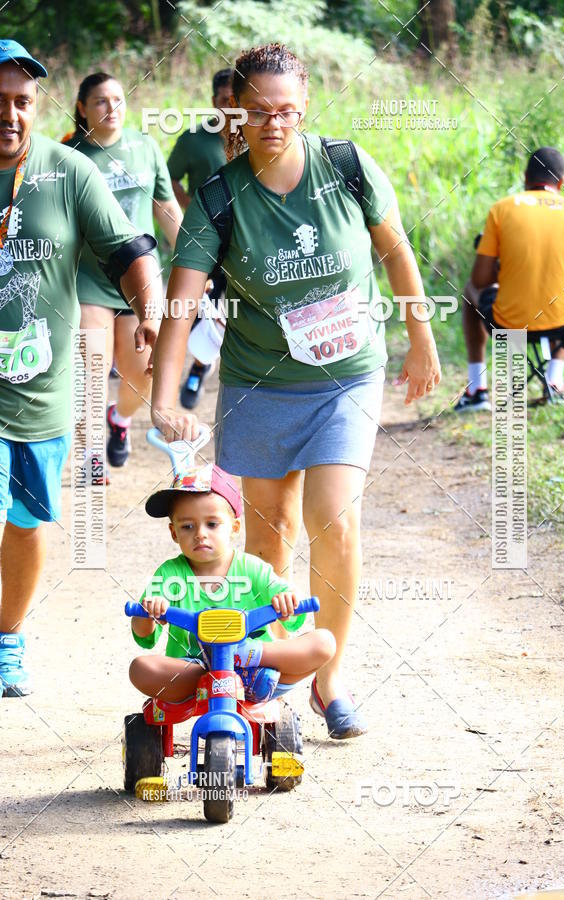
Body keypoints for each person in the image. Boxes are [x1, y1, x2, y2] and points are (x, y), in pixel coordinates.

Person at [150, 43, 441, 739]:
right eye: (257, 111)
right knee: (272, 536)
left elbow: (396, 249)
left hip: (346, 376)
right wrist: (165, 397)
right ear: (236, 112)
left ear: (305, 105)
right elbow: (181, 304)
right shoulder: (220, 199)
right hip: (259, 383)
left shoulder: (345, 167)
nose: (272, 123)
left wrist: (422, 334)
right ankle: (266, 675)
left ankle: (330, 676)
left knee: (333, 517)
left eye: (285, 111)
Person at [0, 41, 162, 697]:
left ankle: (8, 638)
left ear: (37, 105)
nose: (9, 114)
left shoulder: (68, 172)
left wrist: (149, 308)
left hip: (40, 391)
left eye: (21, 101)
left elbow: (130, 247)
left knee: (26, 522)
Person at [129, 464, 336, 708]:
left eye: (212, 524)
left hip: (254, 667)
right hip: (194, 671)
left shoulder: (253, 569)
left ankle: (244, 653)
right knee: (140, 668)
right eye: (187, 526)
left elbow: (292, 615)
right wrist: (150, 612)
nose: (200, 534)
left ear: (234, 527)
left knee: (324, 642)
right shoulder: (169, 574)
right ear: (174, 533)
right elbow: (143, 634)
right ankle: (213, 677)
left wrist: (288, 599)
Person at [63, 73, 182, 467]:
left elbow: (165, 208)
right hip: (87, 278)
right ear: (82, 108)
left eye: (118, 98)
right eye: (100, 101)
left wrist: (198, 260)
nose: (112, 107)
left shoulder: (144, 146)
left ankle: (120, 418)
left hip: (140, 281)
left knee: (142, 377)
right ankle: (91, 455)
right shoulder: (68, 155)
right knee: (90, 370)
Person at [456, 146, 564, 412]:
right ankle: (554, 380)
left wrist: (505, 269)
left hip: (508, 323)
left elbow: (479, 279)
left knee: (468, 291)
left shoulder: (503, 209)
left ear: (525, 178)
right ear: (561, 182)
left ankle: (477, 389)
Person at [167, 69, 232, 409]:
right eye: (225, 101)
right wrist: (192, 208)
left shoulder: (256, 138)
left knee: (228, 306)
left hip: (242, 243)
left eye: (237, 100)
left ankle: (200, 366)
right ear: (213, 102)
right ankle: (172, 368)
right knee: (191, 305)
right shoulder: (194, 140)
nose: (231, 107)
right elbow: (168, 179)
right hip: (202, 242)